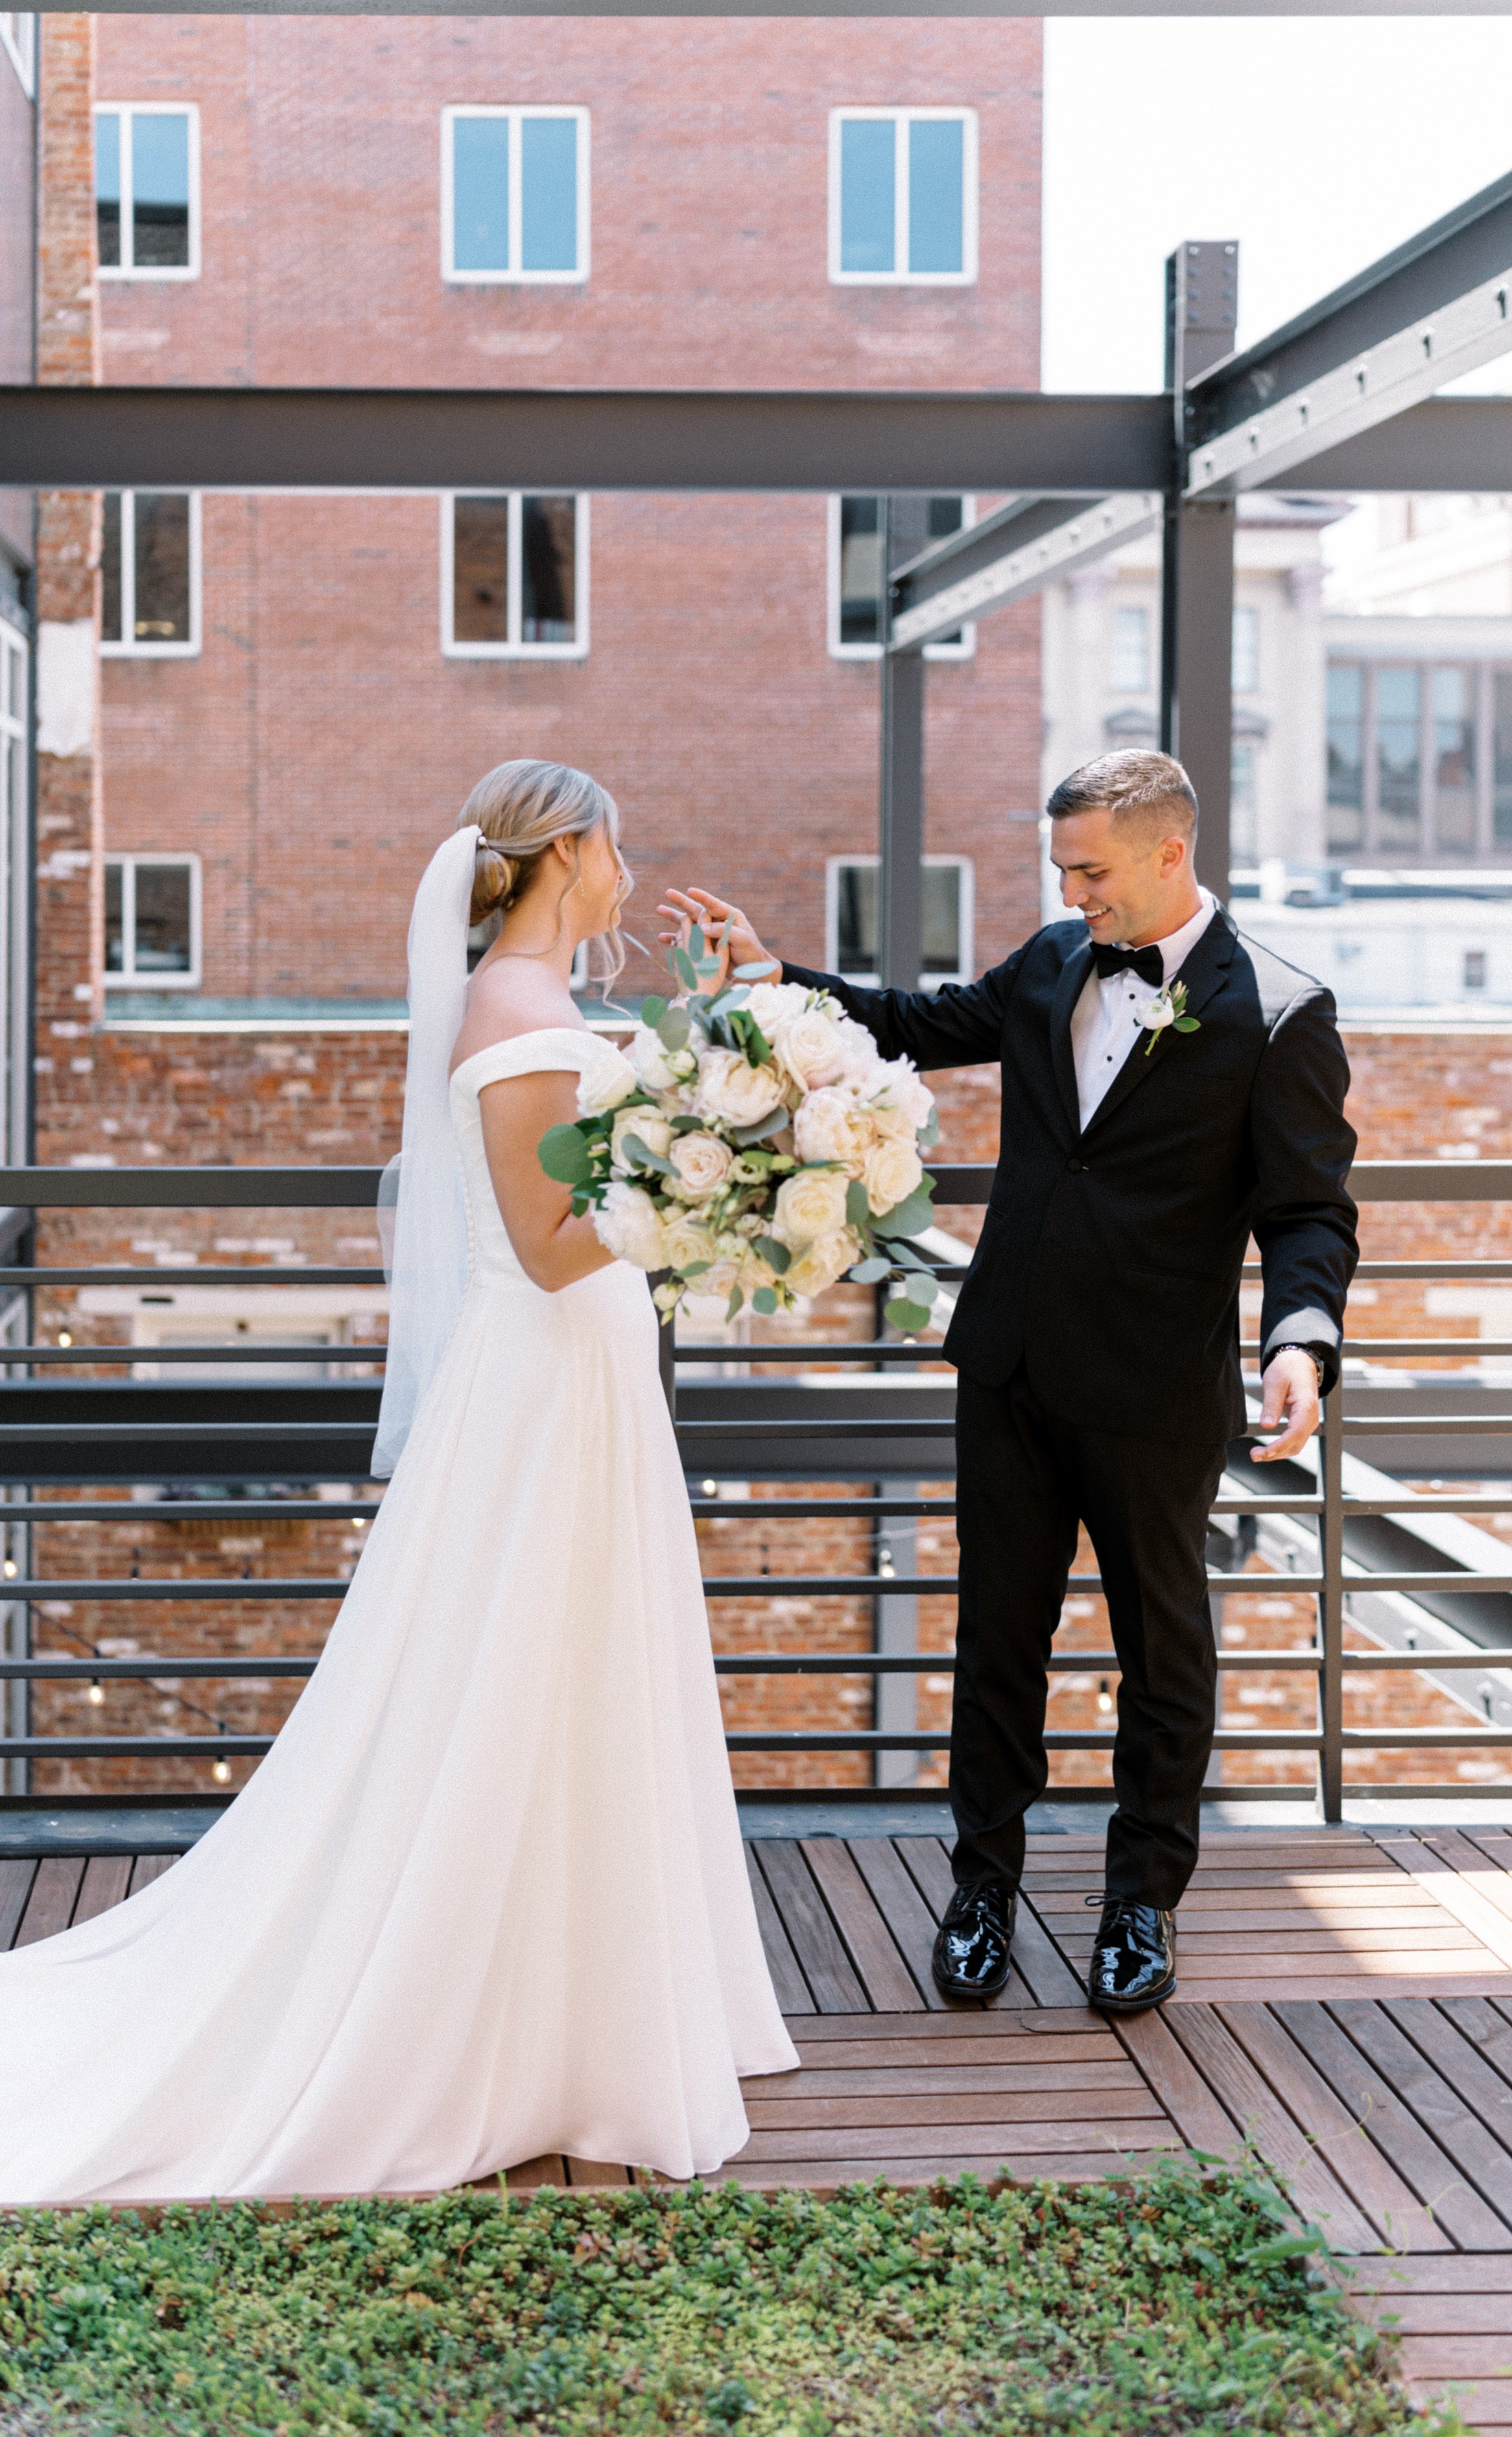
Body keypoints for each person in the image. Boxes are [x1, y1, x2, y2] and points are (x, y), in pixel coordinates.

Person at [0, 759, 795, 2203]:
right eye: (616, 840)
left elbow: (604, 1153)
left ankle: (592, 2000)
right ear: (566, 849)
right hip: (547, 1385)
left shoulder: (537, 1001)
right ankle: (521, 2024)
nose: (630, 864)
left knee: (581, 1682)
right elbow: (554, 1238)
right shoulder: (515, 1009)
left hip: (580, 1380)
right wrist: (706, 1178)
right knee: (524, 1680)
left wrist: (719, 1043)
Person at [660, 748, 1357, 2015]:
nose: (1072, 892)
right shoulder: (1049, 960)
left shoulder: (1279, 1008)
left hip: (1155, 1387)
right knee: (995, 1644)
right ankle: (979, 1887)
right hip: (1009, 1368)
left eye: (1090, 871)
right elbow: (918, 1025)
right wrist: (773, 978)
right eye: (1062, 871)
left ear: (1165, 852)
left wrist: (1298, 1339)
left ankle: (1138, 1901)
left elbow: (1307, 1210)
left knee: (1163, 1655)